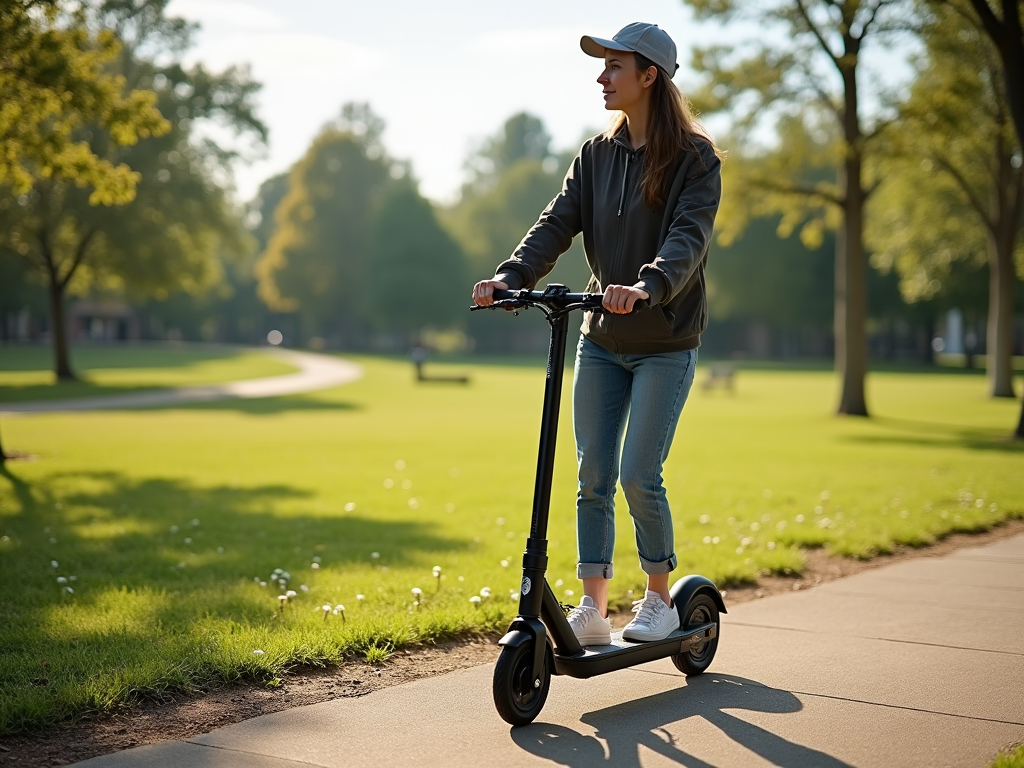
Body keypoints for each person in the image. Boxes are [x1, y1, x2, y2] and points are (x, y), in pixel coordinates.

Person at [472, 22, 721, 645]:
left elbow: (688, 239)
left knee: (639, 473)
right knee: (592, 473)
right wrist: (511, 276)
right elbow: (556, 224)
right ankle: (593, 606)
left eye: (615, 66)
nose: (602, 76)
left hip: (664, 341)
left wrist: (648, 285)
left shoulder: (696, 159)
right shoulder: (596, 155)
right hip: (604, 340)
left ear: (649, 77)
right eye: (602, 65)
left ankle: (660, 601)